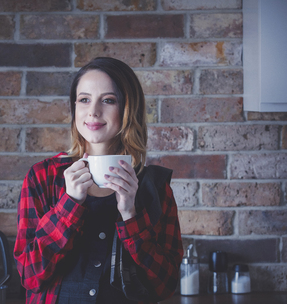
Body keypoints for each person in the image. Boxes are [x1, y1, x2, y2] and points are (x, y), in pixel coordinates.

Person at [14, 57, 183, 304]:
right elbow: (30, 276)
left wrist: (130, 215)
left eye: (108, 100)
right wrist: (68, 205)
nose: (93, 111)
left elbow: (165, 286)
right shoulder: (43, 177)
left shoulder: (154, 187)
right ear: (74, 107)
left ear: (127, 108)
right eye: (84, 99)